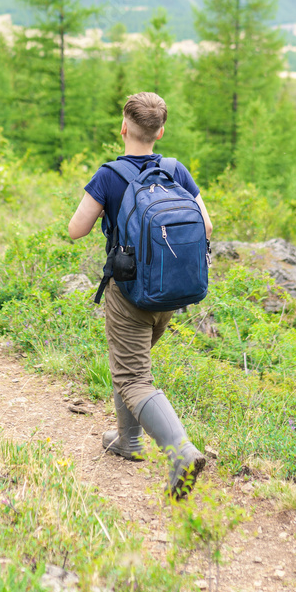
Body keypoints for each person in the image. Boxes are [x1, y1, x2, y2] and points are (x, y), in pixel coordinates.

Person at [68, 92, 213, 500]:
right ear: (160, 131)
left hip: (129, 293)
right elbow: (206, 224)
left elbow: (75, 229)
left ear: (124, 128)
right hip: (170, 293)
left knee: (133, 376)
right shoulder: (175, 170)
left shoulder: (109, 176)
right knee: (128, 362)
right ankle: (128, 441)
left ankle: (181, 451)